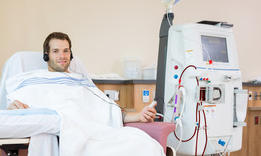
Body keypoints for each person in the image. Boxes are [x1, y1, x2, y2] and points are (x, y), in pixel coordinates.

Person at [8, 32, 157, 123]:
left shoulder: (80, 81)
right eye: (56, 51)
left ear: (71, 54)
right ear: (46, 55)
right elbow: (18, 107)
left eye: (66, 51)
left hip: (87, 130)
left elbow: (106, 110)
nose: (62, 56)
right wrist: (12, 109)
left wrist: (140, 116)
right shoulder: (31, 80)